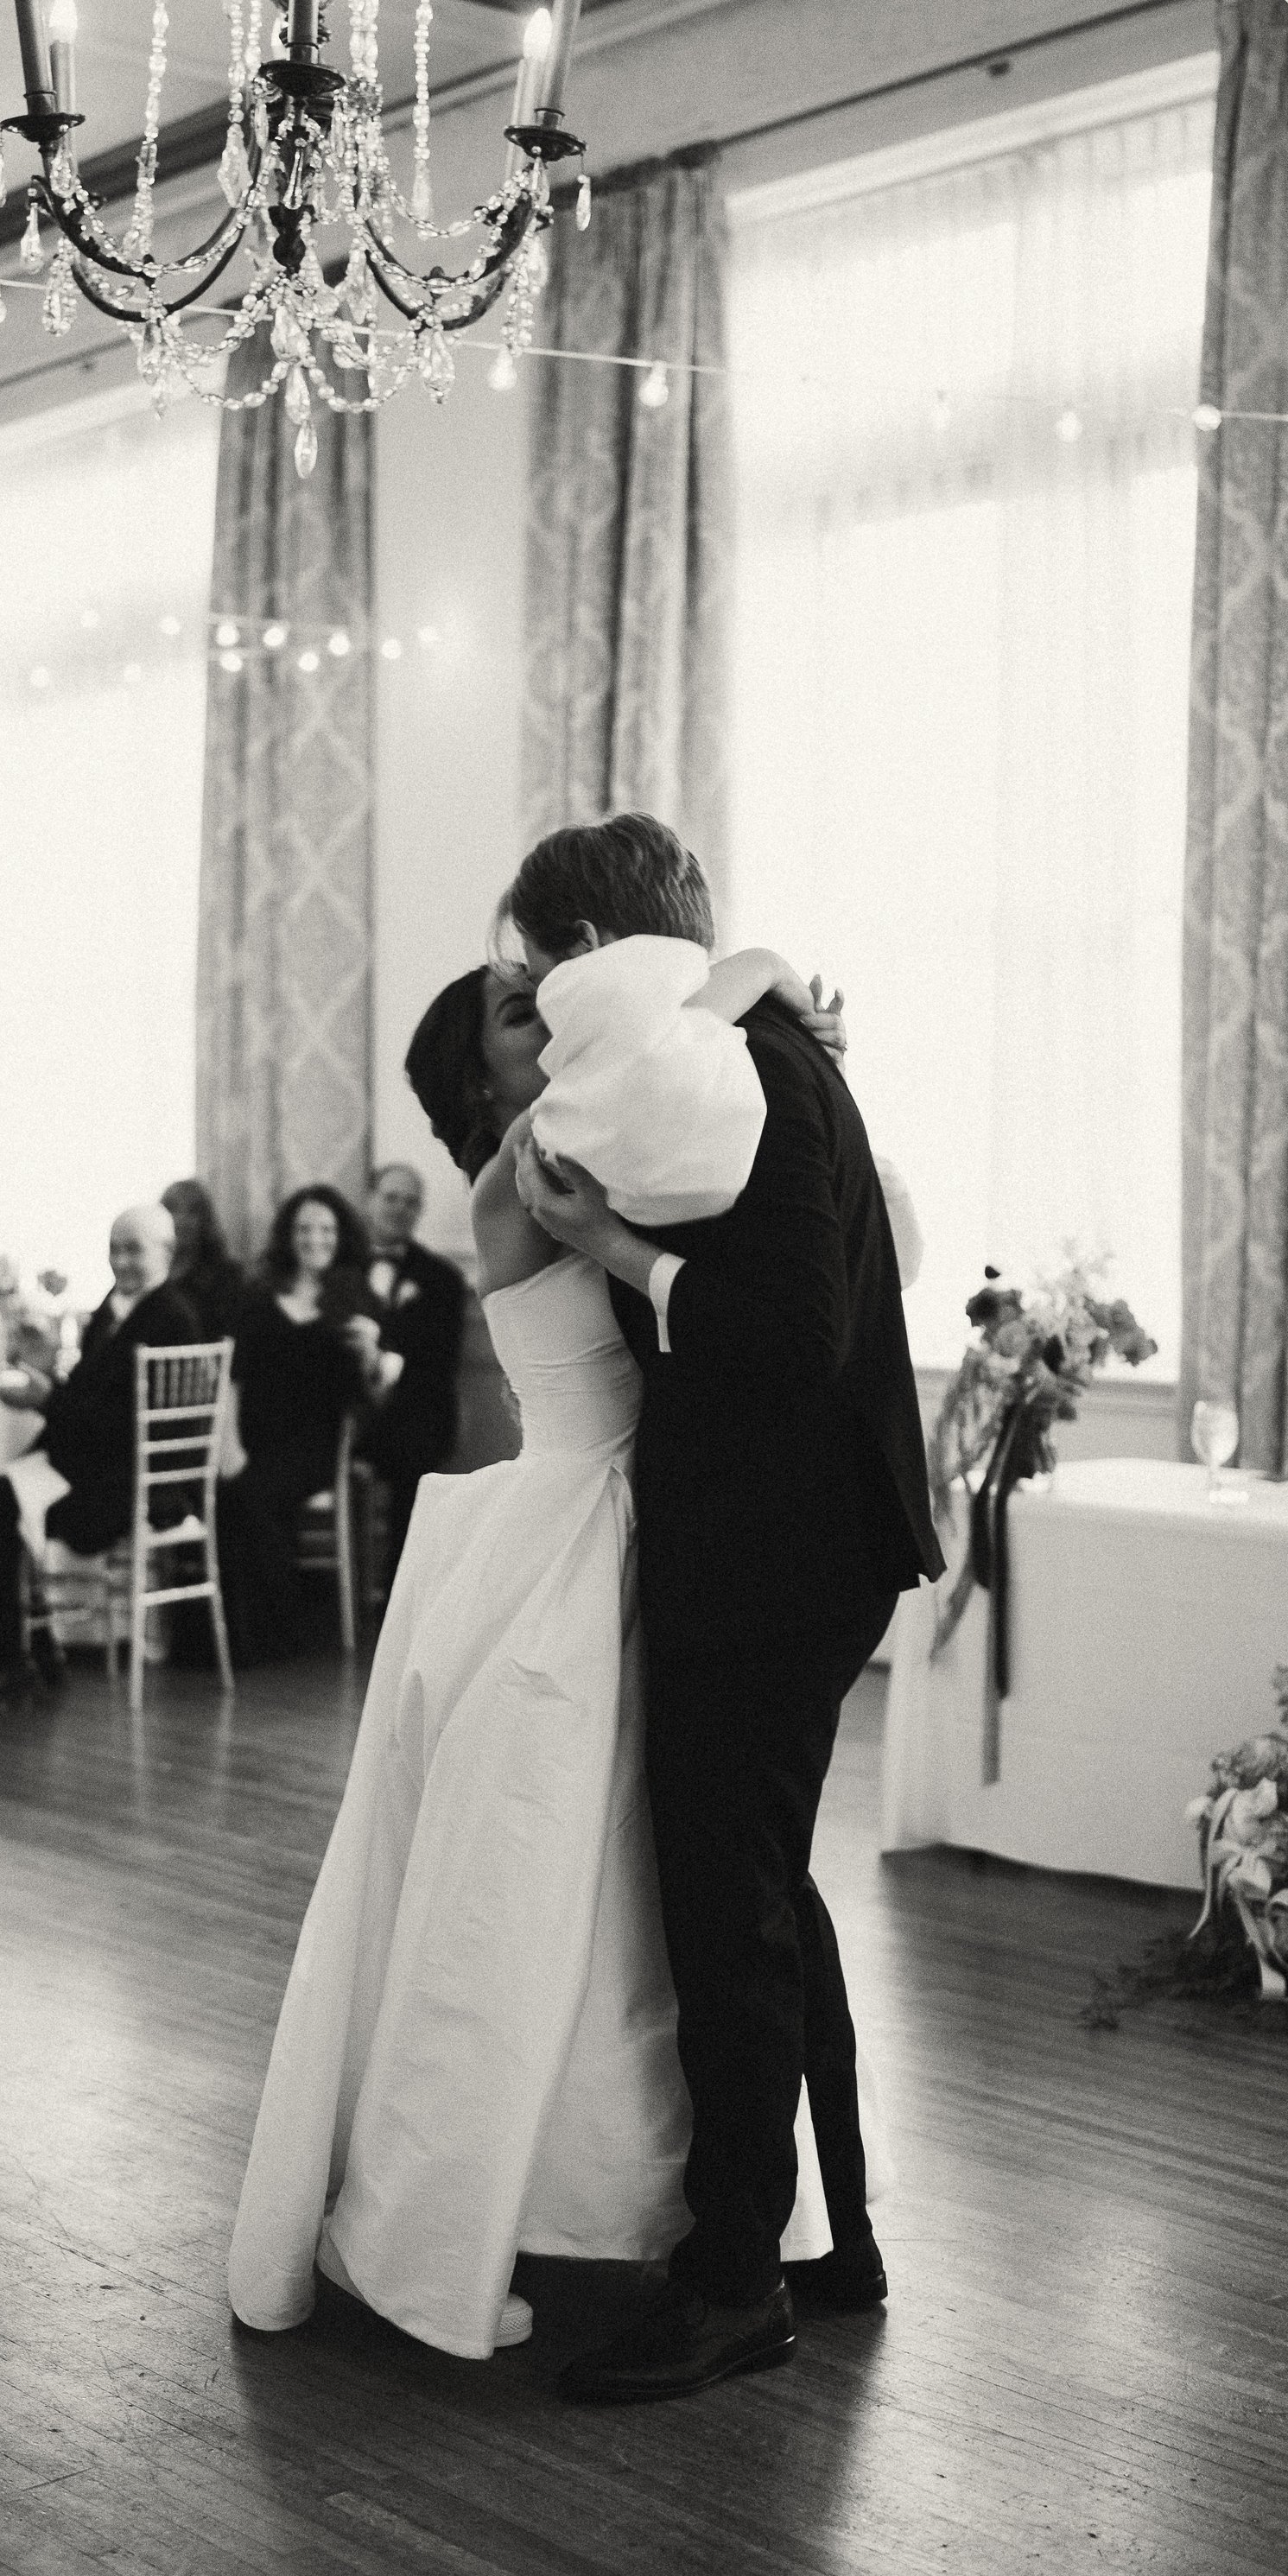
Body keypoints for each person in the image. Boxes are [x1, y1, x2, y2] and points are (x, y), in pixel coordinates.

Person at [227, 940, 884, 2361]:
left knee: (677, 1898)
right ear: (486, 1079)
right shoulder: (533, 1160)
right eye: (523, 1017)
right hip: (584, 1529)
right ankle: (501, 2207)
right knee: (545, 1891)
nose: (564, 1023)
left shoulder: (601, 1143)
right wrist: (754, 975)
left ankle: (698, 2207)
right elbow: (668, 1069)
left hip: (645, 1527)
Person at [511, 813, 942, 2403]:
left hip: (774, 1553)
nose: (544, 999)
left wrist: (605, 1240)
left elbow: (784, 1331)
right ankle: (830, 2240)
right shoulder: (734, 1058)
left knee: (728, 1906)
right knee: (772, 1890)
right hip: (801, 1543)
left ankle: (733, 2276)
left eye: (541, 964)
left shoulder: (736, 1071)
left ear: (590, 946)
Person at [0, 1202, 200, 1711]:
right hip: (97, 1468)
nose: (120, 1261)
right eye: (114, 1249)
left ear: (166, 1253)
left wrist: (47, 1399)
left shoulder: (170, 1319)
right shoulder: (121, 1307)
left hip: (127, 1485)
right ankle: (24, 1652)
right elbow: (88, 1397)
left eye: (133, 1249)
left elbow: (123, 1426)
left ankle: (7, 1662)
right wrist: (49, 1386)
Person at [218, 1185, 378, 1666]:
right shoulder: (258, 1297)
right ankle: (231, 1637)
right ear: (288, 1236)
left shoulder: (354, 1300)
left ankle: (270, 1630)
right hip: (255, 1437)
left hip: (315, 1446)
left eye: (326, 1229)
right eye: (304, 1228)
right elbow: (232, 1378)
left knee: (253, 1495)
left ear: (340, 1237)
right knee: (230, 1491)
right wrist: (229, 1445)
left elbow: (368, 1391)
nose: (315, 1238)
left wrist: (370, 1350)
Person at [355, 1162, 467, 1589]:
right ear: (369, 1201)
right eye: (390, 1198)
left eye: (411, 1201)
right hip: (349, 1412)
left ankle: (401, 1597)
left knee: (414, 1455)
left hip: (414, 1414)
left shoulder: (442, 1279)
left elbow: (440, 1362)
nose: (400, 1209)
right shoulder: (340, 1267)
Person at [161, 1178, 245, 1341]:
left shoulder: (227, 1276)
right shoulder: (146, 1273)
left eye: (192, 1211)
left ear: (204, 1220)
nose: (181, 1220)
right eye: (173, 1210)